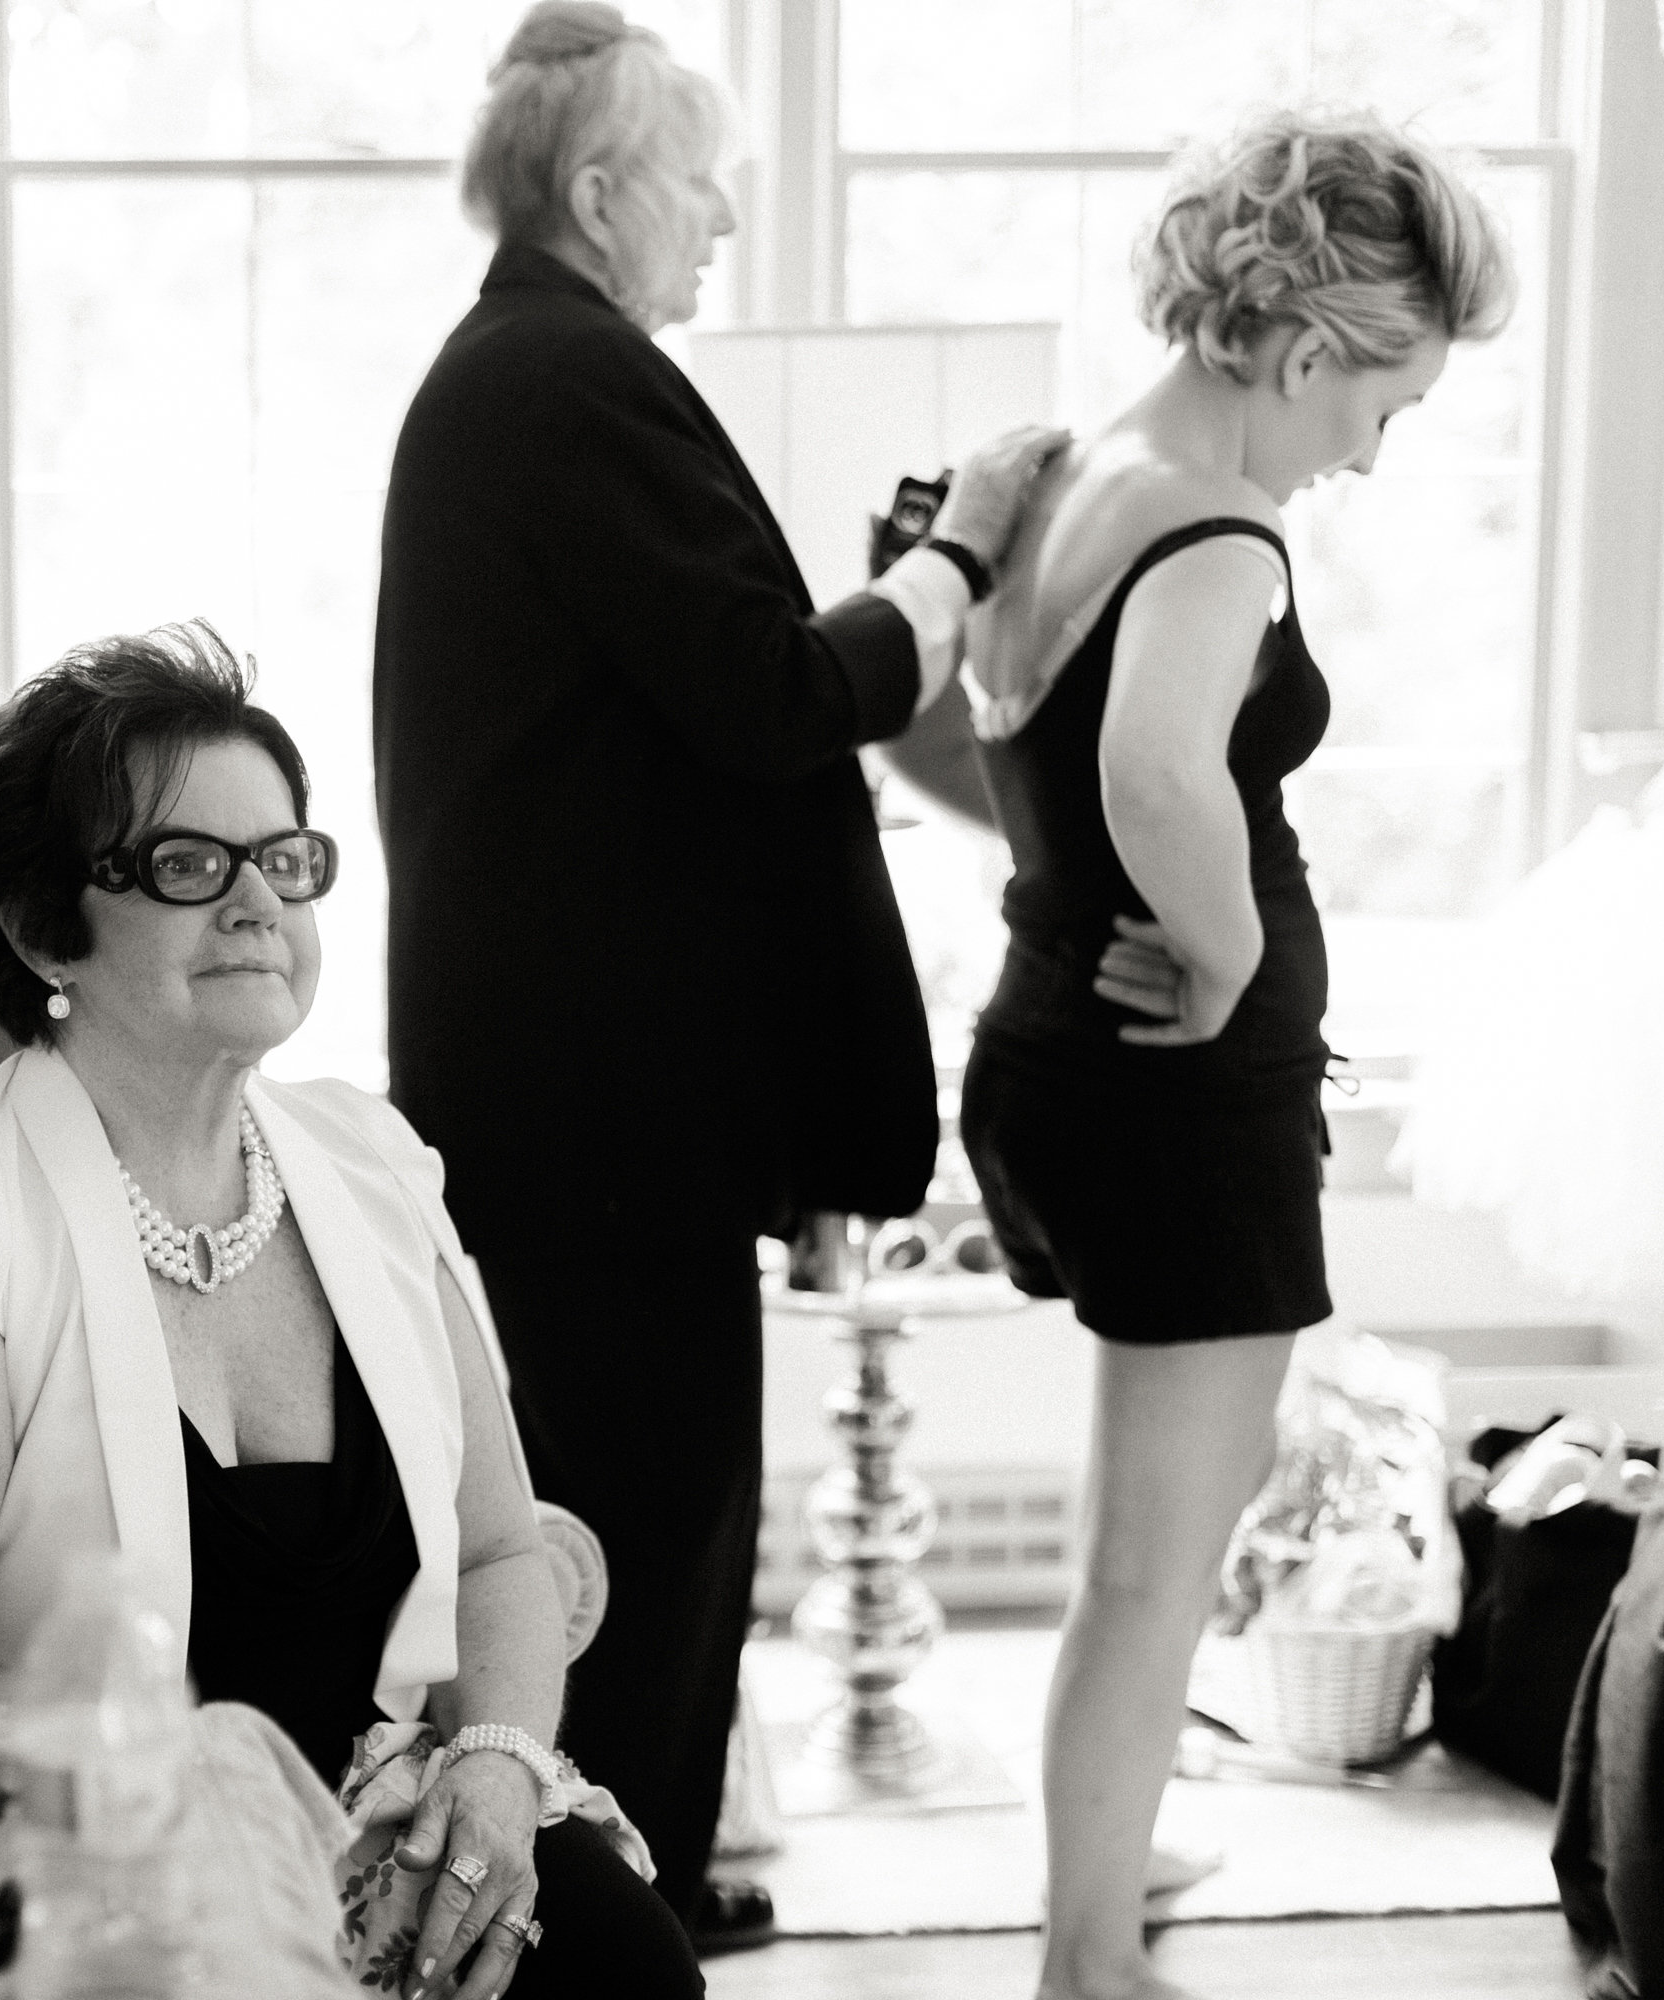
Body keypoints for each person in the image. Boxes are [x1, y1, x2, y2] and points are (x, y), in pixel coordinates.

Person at [0, 625, 701, 2000]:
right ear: (40, 928)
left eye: (284, 860)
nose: (257, 905)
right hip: (86, 1900)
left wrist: (495, 1769)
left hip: (391, 1835)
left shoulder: (370, 1167)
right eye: (187, 865)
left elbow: (497, 1555)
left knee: (631, 1968)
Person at [373, 1, 1062, 1949]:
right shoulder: (562, 376)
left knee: (655, 1510)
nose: (728, 224)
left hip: (587, 1086)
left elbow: (698, 695)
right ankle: (603, 1911)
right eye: (704, 186)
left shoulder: (538, 370)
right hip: (594, 1104)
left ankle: (632, 1877)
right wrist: (961, 558)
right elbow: (774, 694)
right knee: (633, 1518)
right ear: (603, 191)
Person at [950, 112, 1510, 2000]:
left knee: (1140, 1538)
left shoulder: (1064, 481)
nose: (1367, 455)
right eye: (1383, 406)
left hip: (1055, 1048)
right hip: (1174, 1095)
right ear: (1303, 347)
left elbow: (987, 751)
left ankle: (1112, 1855)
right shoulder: (1218, 526)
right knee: (1150, 1565)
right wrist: (1234, 952)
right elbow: (1153, 774)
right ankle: (1088, 1959)